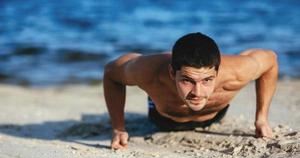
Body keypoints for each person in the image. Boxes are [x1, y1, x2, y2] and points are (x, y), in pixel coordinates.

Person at [103, 32, 278, 150]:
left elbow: (270, 60)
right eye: (187, 80)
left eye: (207, 80)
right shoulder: (148, 71)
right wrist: (118, 128)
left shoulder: (236, 71)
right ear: (172, 73)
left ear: (216, 73)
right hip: (163, 119)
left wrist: (261, 119)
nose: (198, 92)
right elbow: (111, 72)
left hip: (214, 115)